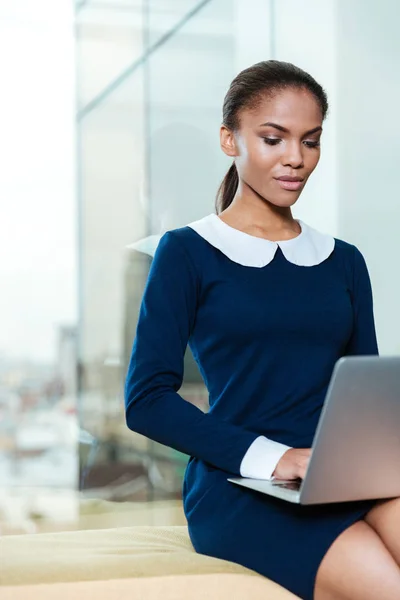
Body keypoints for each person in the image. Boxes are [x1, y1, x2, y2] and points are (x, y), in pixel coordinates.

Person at [124, 60, 400, 600]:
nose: (295, 158)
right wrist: (276, 458)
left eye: (310, 141)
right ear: (231, 139)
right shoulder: (187, 252)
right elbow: (146, 400)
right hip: (240, 484)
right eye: (274, 139)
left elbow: (366, 400)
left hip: (341, 476)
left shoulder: (344, 261)